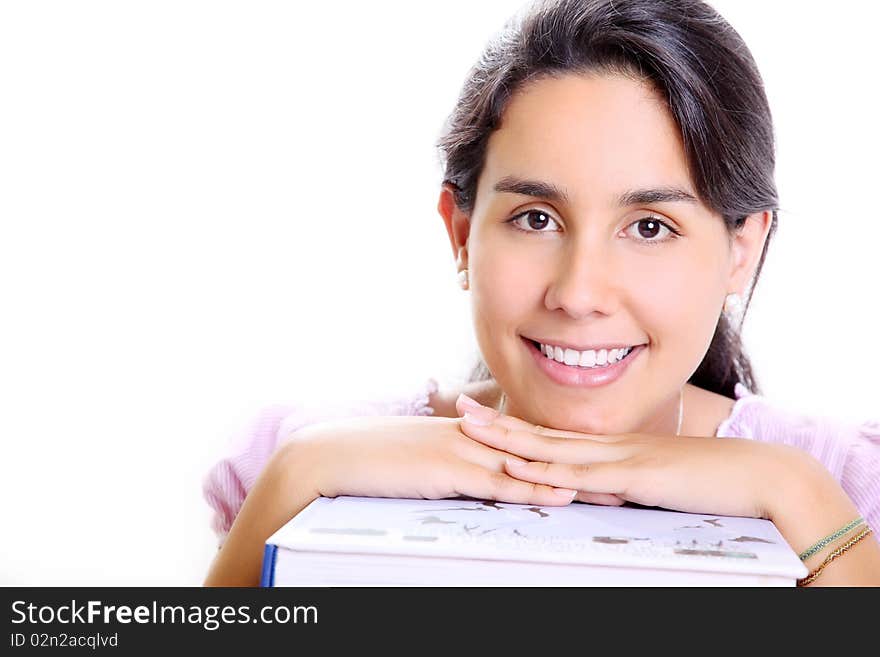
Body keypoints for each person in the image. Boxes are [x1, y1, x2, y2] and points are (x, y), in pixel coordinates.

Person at [202, 0, 880, 586]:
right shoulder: (304, 460)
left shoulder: (843, 483)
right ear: (462, 233)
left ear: (742, 249)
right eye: (536, 218)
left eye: (649, 226)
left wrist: (799, 496)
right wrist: (294, 477)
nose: (579, 293)